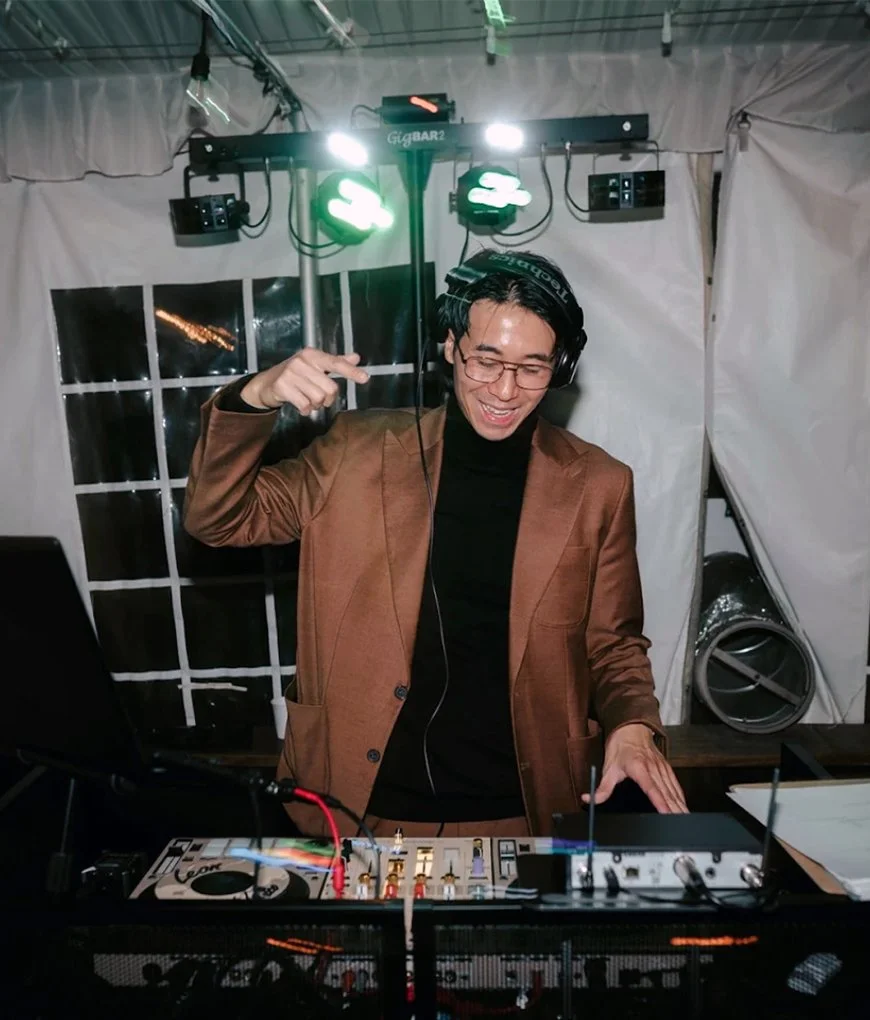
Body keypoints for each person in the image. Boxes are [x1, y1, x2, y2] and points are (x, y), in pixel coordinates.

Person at [184, 249, 687, 839]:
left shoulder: (600, 484)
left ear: (562, 367)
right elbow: (217, 518)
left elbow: (615, 645)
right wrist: (254, 399)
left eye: (532, 367)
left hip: (524, 811)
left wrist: (632, 724)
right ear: (450, 346)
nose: (505, 389)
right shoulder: (354, 452)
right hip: (356, 807)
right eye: (486, 360)